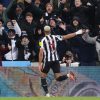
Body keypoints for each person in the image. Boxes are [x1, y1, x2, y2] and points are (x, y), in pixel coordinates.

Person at [38, 25, 84, 97]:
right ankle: (68, 75)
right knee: (58, 78)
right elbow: (67, 36)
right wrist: (77, 33)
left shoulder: (42, 40)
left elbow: (41, 53)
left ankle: (47, 94)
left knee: (43, 76)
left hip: (48, 60)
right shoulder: (55, 37)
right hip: (56, 60)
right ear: (50, 31)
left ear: (44, 32)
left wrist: (40, 63)